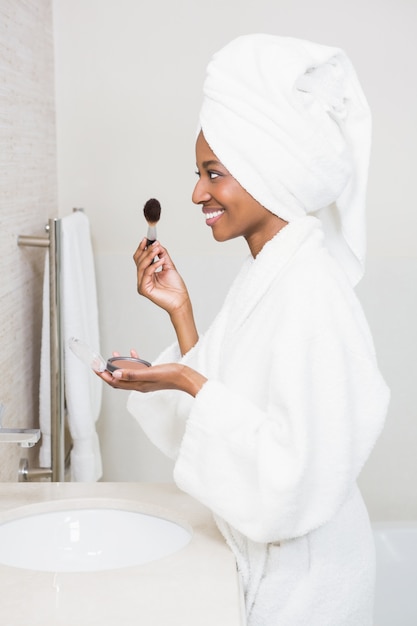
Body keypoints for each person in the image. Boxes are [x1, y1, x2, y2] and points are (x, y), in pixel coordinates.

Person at [99, 34, 389, 626]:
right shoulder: (274, 270)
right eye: (198, 173)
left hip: (311, 587)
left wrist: (180, 378)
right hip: (283, 568)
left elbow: (298, 470)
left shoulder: (310, 287)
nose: (196, 193)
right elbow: (239, 400)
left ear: (267, 172)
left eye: (214, 173)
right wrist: (180, 312)